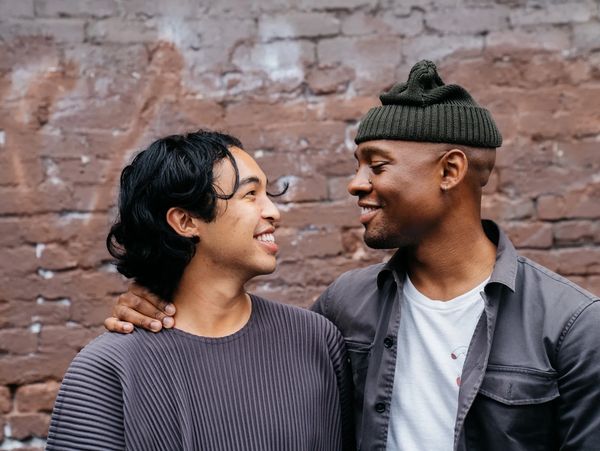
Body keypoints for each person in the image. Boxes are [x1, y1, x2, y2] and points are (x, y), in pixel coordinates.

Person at [104, 61, 600, 450]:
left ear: (449, 171)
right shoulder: (345, 307)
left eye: (377, 165)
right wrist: (157, 294)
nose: (355, 183)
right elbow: (247, 350)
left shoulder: (571, 325)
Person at [47, 131, 355, 450]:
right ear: (185, 221)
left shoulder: (316, 340)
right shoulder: (107, 371)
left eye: (268, 194)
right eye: (250, 194)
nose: (274, 212)